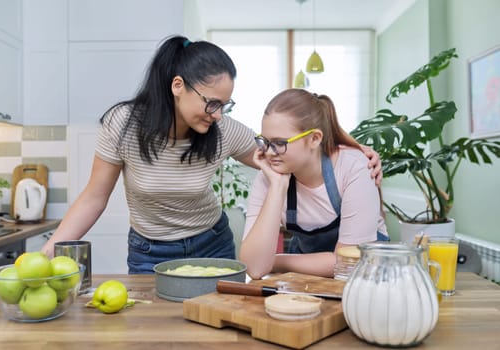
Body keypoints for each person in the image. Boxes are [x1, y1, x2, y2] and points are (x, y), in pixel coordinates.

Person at [41, 35, 382, 274]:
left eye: (225, 105)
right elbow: (93, 198)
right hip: (149, 250)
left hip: (212, 243)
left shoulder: (222, 131)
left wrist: (352, 151)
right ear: (178, 87)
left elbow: (287, 150)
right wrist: (48, 251)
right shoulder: (124, 125)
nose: (218, 114)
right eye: (213, 103)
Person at [240, 89, 389, 280]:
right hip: (305, 279)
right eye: (265, 142)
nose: (269, 153)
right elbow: (254, 268)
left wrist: (276, 262)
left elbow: (348, 264)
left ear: (314, 138)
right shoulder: (269, 176)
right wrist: (277, 187)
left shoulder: (353, 167)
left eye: (279, 143)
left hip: (364, 279)